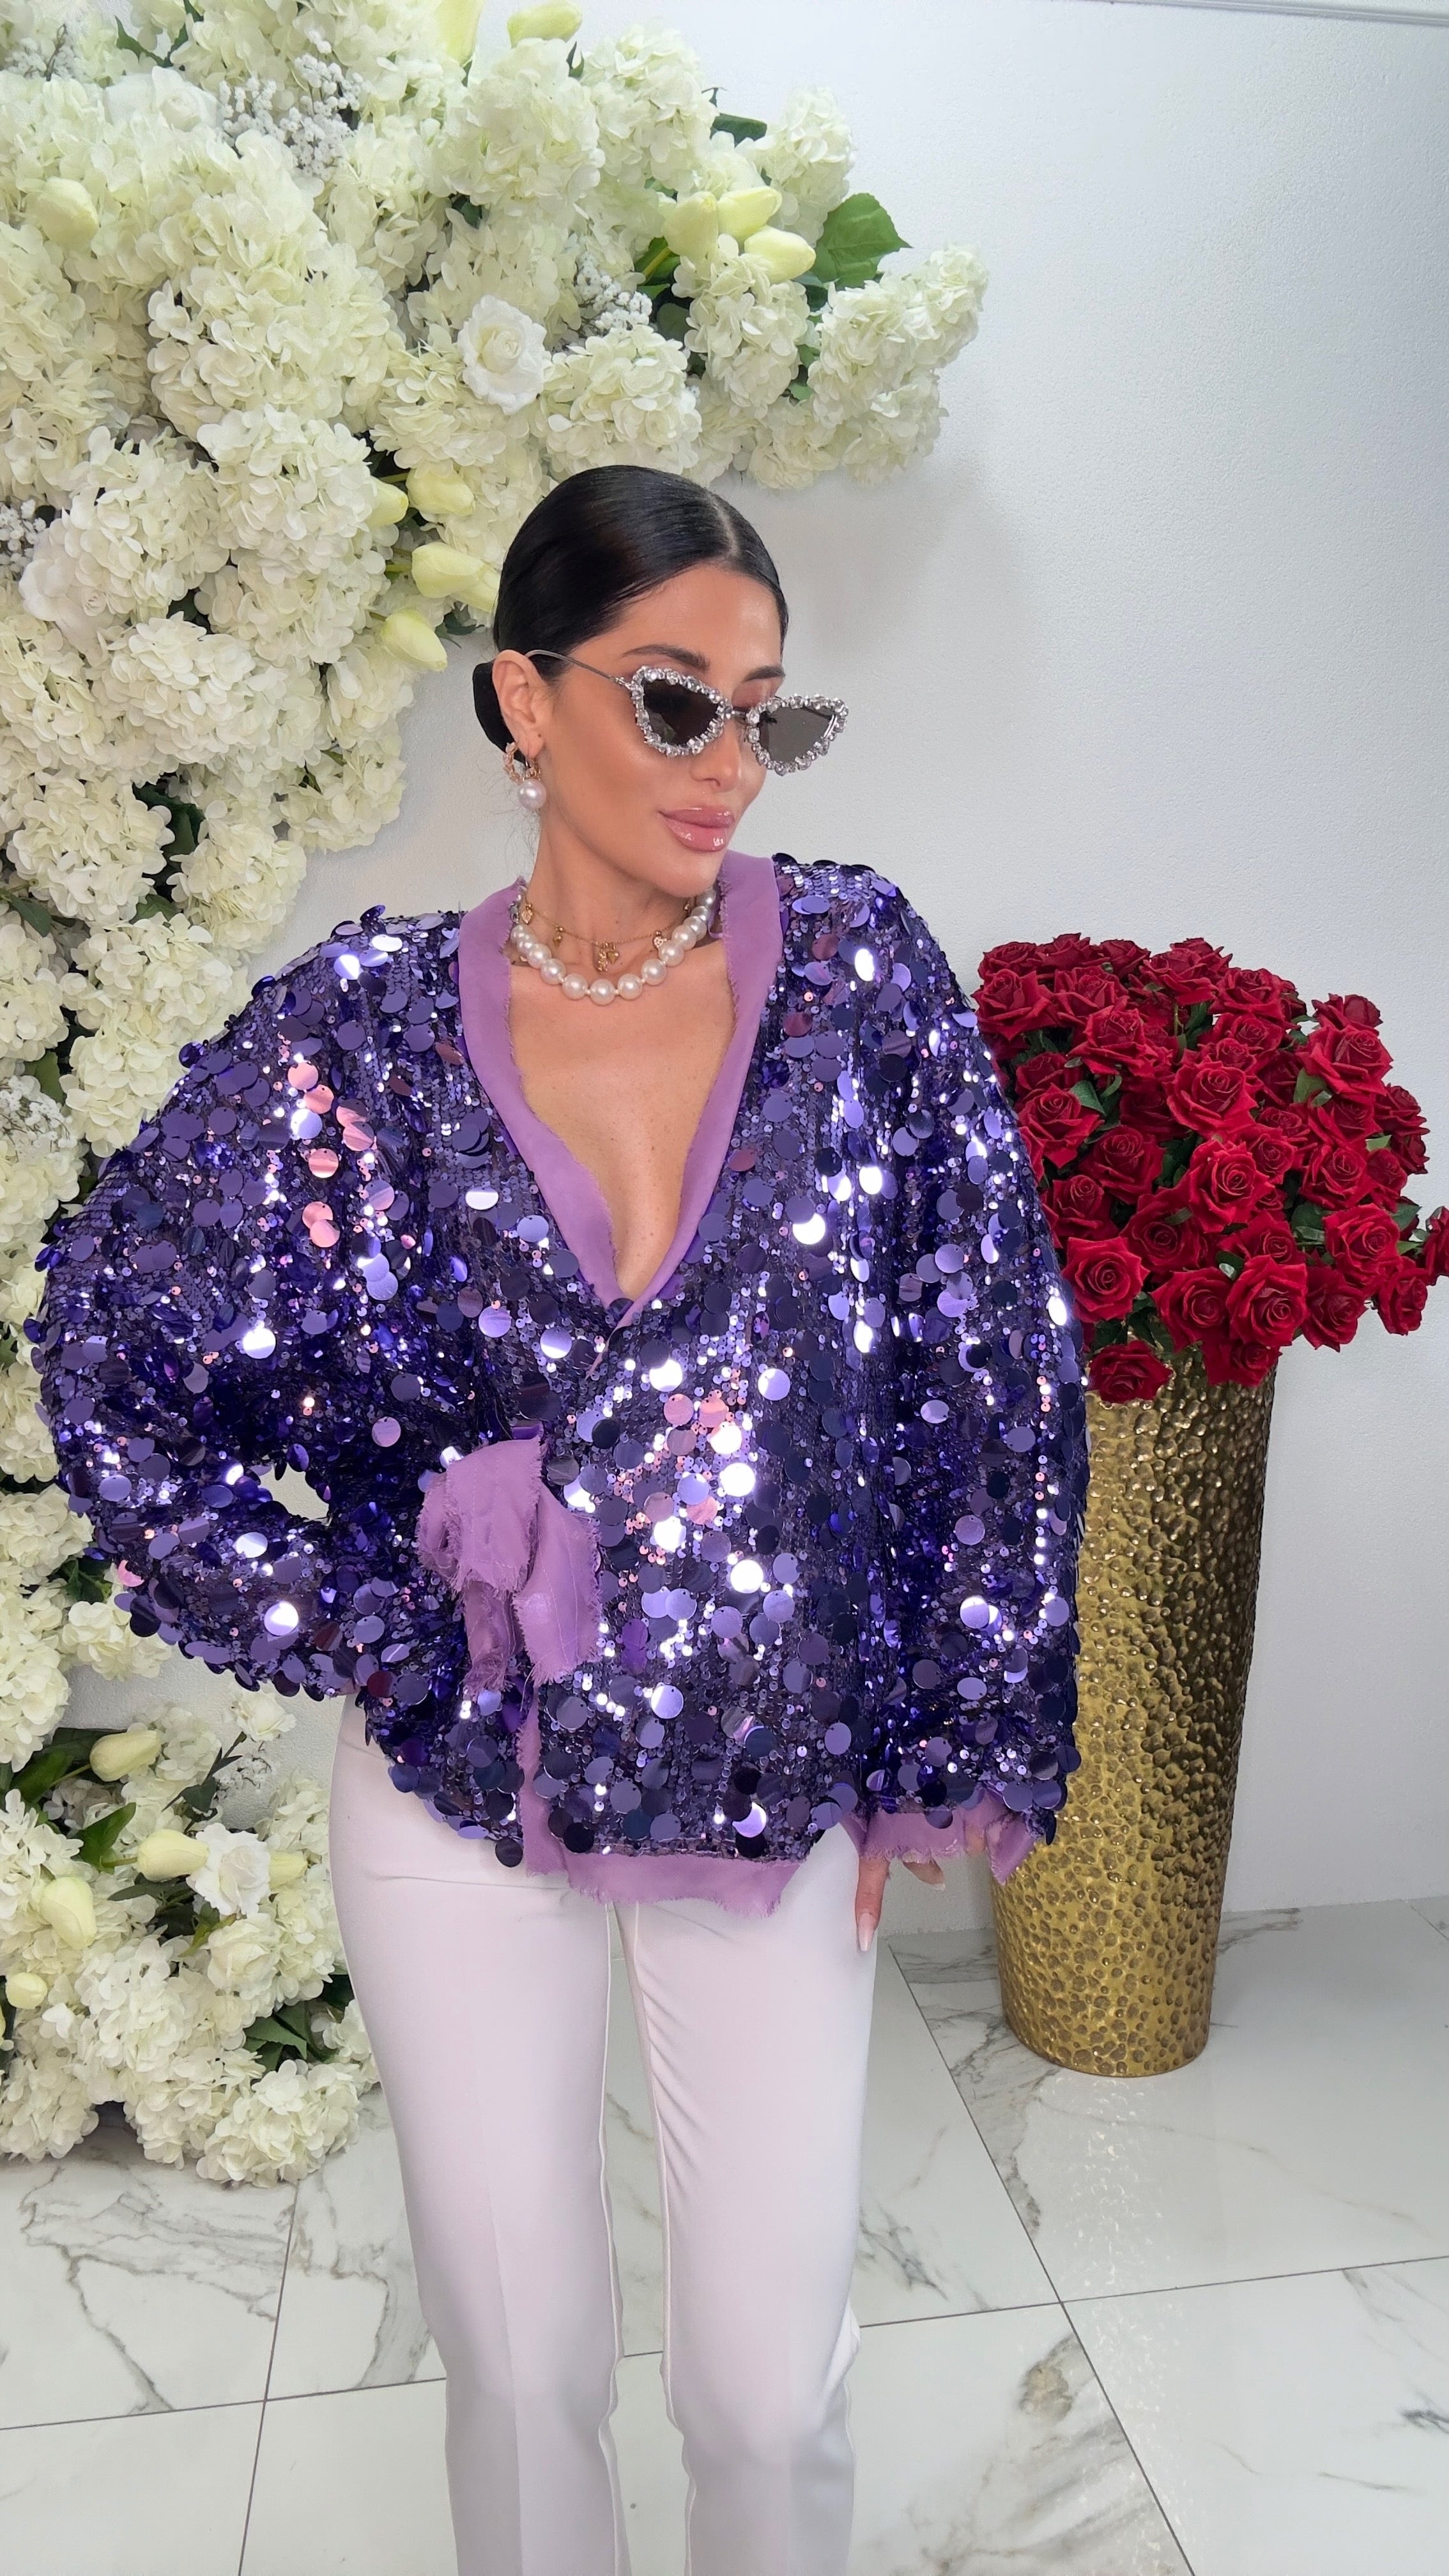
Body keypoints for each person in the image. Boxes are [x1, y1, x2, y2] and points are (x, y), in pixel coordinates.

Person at [32, 463, 1087, 2576]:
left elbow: (988, 1370)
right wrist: (381, 1604)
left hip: (767, 1761)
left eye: (769, 715)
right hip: (459, 1775)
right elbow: (113, 1341)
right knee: (517, 2376)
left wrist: (933, 1739)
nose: (729, 766)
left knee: (763, 2391)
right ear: (524, 699)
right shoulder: (362, 1028)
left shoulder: (857, 978)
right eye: (675, 701)